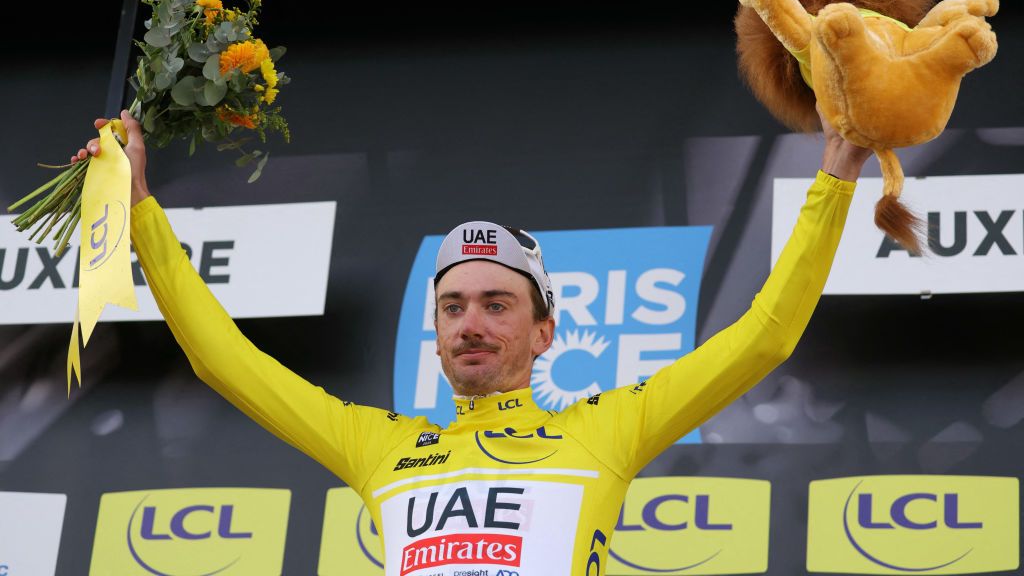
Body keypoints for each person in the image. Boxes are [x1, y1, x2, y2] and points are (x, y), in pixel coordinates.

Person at [75, 107, 870, 575]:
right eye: (453, 306)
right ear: (436, 330)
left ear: (543, 330)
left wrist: (838, 168)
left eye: (496, 303)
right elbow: (223, 359)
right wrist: (141, 207)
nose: (472, 324)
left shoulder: (603, 430)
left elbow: (765, 337)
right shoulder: (379, 445)